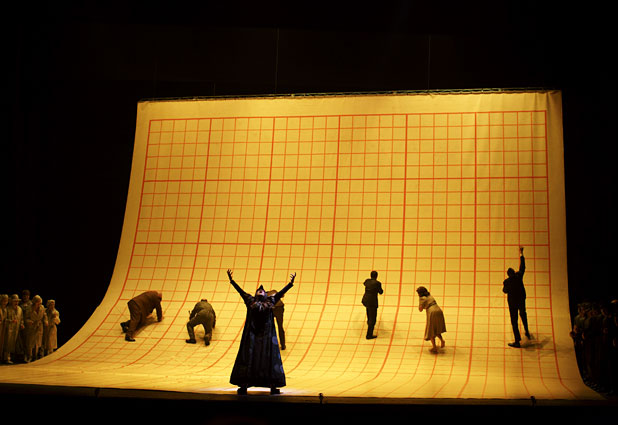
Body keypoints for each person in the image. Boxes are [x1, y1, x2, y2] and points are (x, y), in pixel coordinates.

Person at [227, 269, 295, 395]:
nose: (260, 290)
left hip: (266, 337)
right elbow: (240, 291)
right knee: (249, 359)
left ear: (265, 294)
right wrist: (232, 281)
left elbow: (280, 293)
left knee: (269, 359)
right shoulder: (250, 300)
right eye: (259, 290)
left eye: (262, 290)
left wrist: (290, 284)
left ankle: (273, 385)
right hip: (252, 336)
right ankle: (244, 384)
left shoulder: (270, 301)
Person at [502, 246, 531, 347]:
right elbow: (522, 266)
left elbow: (504, 291)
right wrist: (521, 254)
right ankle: (527, 331)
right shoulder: (519, 276)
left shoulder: (507, 282)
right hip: (521, 300)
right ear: (514, 272)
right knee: (523, 314)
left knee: (514, 322)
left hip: (512, 304)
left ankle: (517, 341)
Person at [416, 286, 446, 353]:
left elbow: (420, 309)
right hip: (438, 310)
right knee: (436, 328)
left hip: (432, 312)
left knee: (431, 330)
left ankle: (434, 347)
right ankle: (442, 340)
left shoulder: (422, 298)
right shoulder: (430, 296)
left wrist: (420, 303)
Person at [24, 295, 48, 362]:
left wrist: (46, 321)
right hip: (31, 327)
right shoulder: (29, 308)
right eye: (38, 302)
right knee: (30, 343)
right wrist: (29, 321)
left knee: (37, 342)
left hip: (39, 327)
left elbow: (44, 315)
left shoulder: (42, 307)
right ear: (34, 302)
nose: (39, 304)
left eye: (40, 302)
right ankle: (29, 356)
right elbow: (25, 318)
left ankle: (35, 356)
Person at [361, 270, 383, 339]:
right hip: (372, 302)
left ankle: (369, 324)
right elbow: (381, 292)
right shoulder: (377, 283)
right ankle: (369, 335)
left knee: (368, 314)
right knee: (372, 319)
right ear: (376, 276)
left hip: (366, 300)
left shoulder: (367, 281)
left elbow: (364, 283)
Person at [3, 295, 24, 364]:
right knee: (8, 343)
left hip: (16, 329)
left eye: (17, 301)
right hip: (9, 329)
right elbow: (4, 320)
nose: (16, 303)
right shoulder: (7, 309)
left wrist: (22, 324)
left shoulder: (20, 309)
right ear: (11, 301)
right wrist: (11, 321)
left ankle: (13, 357)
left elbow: (21, 318)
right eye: (15, 301)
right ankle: (6, 358)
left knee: (15, 344)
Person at [0, 294, 8, 363]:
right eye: (4, 301)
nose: (5, 302)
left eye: (6, 301)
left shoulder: (5, 309)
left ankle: (1, 357)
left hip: (3, 328)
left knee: (2, 343)